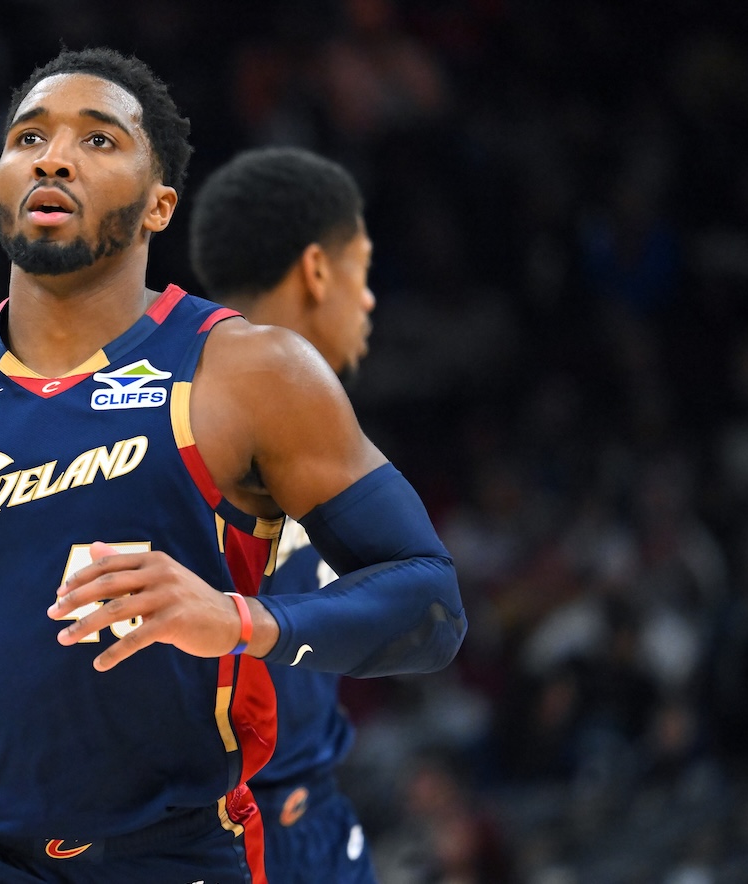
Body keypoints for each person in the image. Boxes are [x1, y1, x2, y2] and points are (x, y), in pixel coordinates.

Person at [0, 48, 462, 882]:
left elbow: (428, 598)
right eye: (29, 136)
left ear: (159, 205)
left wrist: (242, 621)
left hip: (166, 854)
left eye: (98, 140)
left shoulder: (247, 374)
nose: (53, 156)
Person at [190, 146, 468, 883]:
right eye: (363, 269)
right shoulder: (220, 419)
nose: (369, 300)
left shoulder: (283, 422)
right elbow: (431, 610)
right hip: (224, 835)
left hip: (301, 818)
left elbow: (432, 611)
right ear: (317, 270)